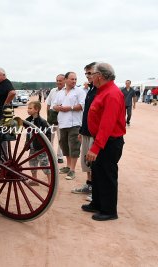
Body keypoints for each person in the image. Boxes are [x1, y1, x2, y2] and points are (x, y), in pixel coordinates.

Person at [82, 62, 125, 221]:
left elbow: (107, 124)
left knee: (107, 175)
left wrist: (96, 147)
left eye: (92, 74)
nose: (90, 77)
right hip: (102, 140)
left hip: (109, 142)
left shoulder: (112, 93)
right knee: (98, 173)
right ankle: (97, 203)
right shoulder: (103, 91)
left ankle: (109, 210)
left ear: (99, 76)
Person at [52, 72, 86, 180]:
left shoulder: (79, 91)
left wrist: (69, 108)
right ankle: (67, 166)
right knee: (64, 145)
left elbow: (82, 105)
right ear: (66, 79)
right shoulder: (60, 92)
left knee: (74, 146)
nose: (74, 81)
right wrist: (58, 108)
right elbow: (54, 105)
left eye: (75, 79)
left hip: (75, 123)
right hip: (62, 122)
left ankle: (72, 170)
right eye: (72, 79)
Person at [72, 62, 97, 200]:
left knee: (94, 163)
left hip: (94, 132)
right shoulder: (91, 89)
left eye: (90, 73)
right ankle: (89, 185)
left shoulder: (99, 90)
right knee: (86, 162)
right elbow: (86, 112)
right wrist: (82, 130)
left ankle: (96, 189)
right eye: (86, 73)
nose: (88, 76)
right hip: (86, 130)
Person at [25, 101, 52, 184]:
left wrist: (44, 145)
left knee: (45, 165)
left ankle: (50, 182)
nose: (28, 110)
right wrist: (27, 144)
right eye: (28, 108)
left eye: (30, 108)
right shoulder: (28, 120)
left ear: (36, 110)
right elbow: (27, 132)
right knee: (32, 164)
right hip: (32, 147)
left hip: (40, 148)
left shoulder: (42, 122)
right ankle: (34, 180)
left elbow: (48, 134)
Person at [45, 74, 65, 164]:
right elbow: (48, 104)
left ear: (64, 81)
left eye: (60, 80)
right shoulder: (53, 91)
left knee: (61, 139)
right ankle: (50, 155)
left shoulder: (67, 91)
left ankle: (60, 156)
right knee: (50, 138)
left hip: (62, 118)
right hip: (51, 117)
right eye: (57, 80)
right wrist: (48, 116)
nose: (58, 82)